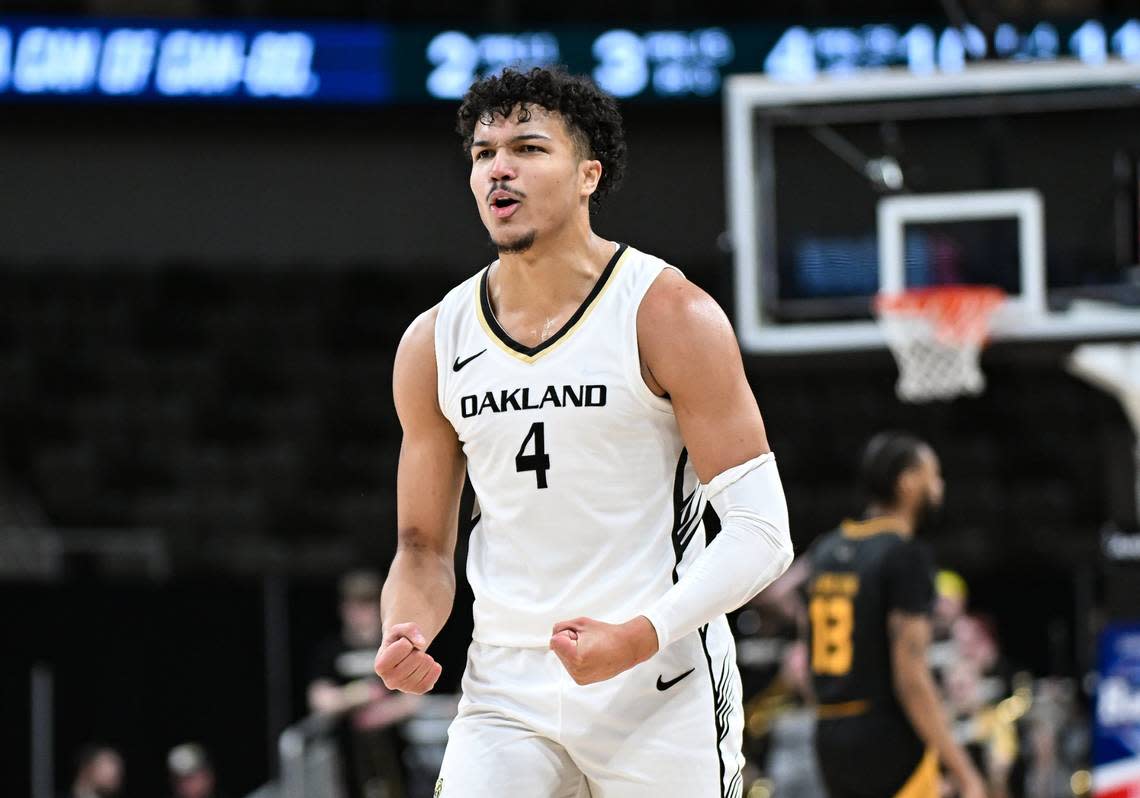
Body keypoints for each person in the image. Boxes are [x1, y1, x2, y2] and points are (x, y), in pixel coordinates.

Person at [374, 66, 793, 797]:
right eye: (483, 153)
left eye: (529, 148)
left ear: (588, 175)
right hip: (507, 691)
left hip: (658, 679)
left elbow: (764, 532)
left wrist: (638, 634)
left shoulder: (668, 314)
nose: (499, 167)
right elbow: (423, 546)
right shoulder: (433, 341)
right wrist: (407, 626)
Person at [805, 431, 986, 798]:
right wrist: (965, 772)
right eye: (932, 475)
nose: (939, 486)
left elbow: (809, 661)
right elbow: (911, 677)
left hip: (828, 734)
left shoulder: (824, 550)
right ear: (907, 483)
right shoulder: (904, 554)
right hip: (885, 738)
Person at [308, 570, 420, 798]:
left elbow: (414, 698)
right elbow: (320, 699)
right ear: (343, 608)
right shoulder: (331, 650)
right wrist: (361, 695)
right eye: (354, 605)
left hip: (395, 753)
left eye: (367, 604)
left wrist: (384, 713)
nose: (360, 613)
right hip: (348, 756)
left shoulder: (395, 645)